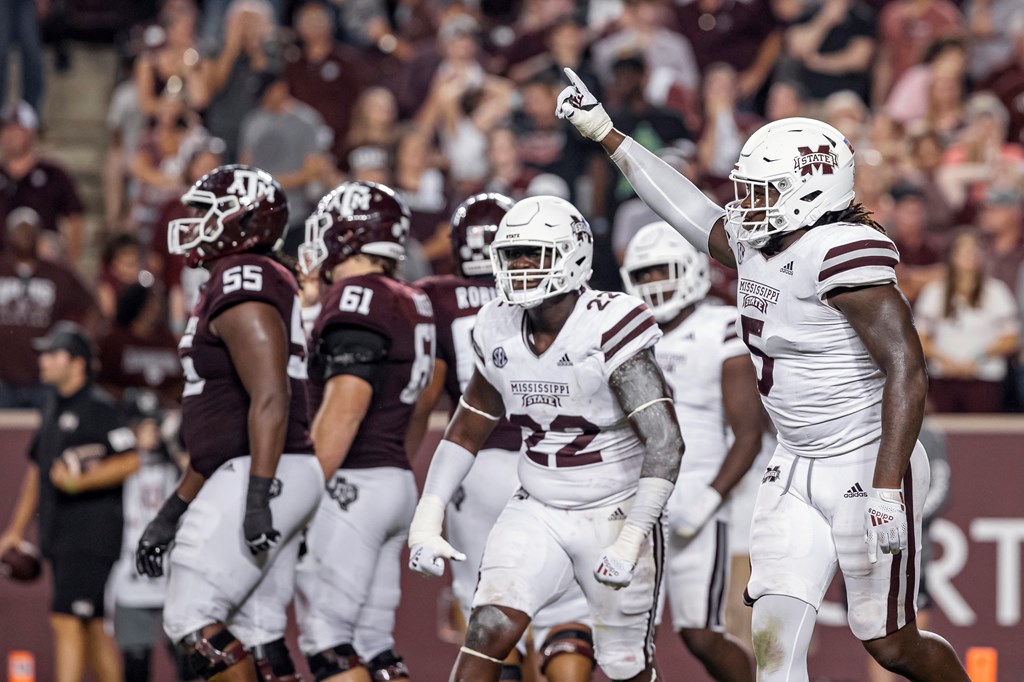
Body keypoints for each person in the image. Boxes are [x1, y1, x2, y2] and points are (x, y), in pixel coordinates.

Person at [556, 69, 969, 681]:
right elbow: (689, 209)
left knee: (891, 644)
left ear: (812, 190)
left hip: (865, 461)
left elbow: (907, 365)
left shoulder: (839, 250)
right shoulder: (759, 243)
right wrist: (610, 137)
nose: (747, 203)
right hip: (793, 464)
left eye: (763, 190)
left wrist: (886, 487)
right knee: (775, 652)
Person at [407, 194, 685, 682]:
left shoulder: (608, 322)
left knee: (626, 666)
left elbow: (665, 441)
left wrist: (633, 537)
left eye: (532, 254)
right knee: (487, 627)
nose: (519, 268)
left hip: (613, 510)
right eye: (511, 255)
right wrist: (427, 516)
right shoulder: (495, 323)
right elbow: (469, 424)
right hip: (536, 504)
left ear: (573, 254)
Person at [134, 164, 322, 682]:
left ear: (242, 219)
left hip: (263, 470)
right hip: (258, 467)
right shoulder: (237, 275)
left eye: (205, 212)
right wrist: (173, 511)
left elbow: (270, 396)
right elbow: (222, 428)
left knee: (190, 617)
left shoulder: (246, 275)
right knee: (258, 630)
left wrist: (259, 495)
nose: (193, 222)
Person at [410, 193, 596, 682]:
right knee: (565, 617)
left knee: (489, 613)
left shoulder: (440, 297)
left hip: (481, 465)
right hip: (561, 469)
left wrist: (422, 488)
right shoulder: (583, 306)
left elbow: (437, 399)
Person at [294, 180, 431, 681]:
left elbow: (345, 408)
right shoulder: (411, 299)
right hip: (393, 479)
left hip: (352, 482)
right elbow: (425, 403)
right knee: (374, 643)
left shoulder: (356, 296)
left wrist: (306, 493)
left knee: (328, 639)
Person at [620, 221, 761, 682]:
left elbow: (748, 434)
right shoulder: (623, 335)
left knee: (700, 634)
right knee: (624, 635)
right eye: (644, 275)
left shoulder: (720, 326)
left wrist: (707, 501)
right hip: (633, 499)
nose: (654, 284)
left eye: (663, 270)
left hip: (695, 495)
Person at [0, 322, 139, 682]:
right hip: (60, 537)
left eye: (52, 354)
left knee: (65, 620)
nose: (43, 361)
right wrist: (15, 530)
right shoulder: (51, 406)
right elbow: (37, 471)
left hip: (91, 536)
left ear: (77, 362)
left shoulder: (99, 407)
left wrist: (82, 481)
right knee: (91, 630)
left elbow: (130, 459)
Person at [0, 208, 97, 409]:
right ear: (8, 234)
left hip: (46, 378)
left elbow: (92, 308)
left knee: (49, 435)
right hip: (3, 378)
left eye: (29, 230)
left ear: (39, 235)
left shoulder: (58, 273)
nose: (24, 236)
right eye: (19, 230)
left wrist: (81, 343)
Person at [914, 230, 1020, 413]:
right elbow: (920, 338)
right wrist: (945, 360)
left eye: (974, 250)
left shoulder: (996, 291)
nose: (970, 256)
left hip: (985, 378)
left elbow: (1011, 338)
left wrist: (976, 358)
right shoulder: (934, 292)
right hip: (944, 377)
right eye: (964, 250)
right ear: (952, 256)